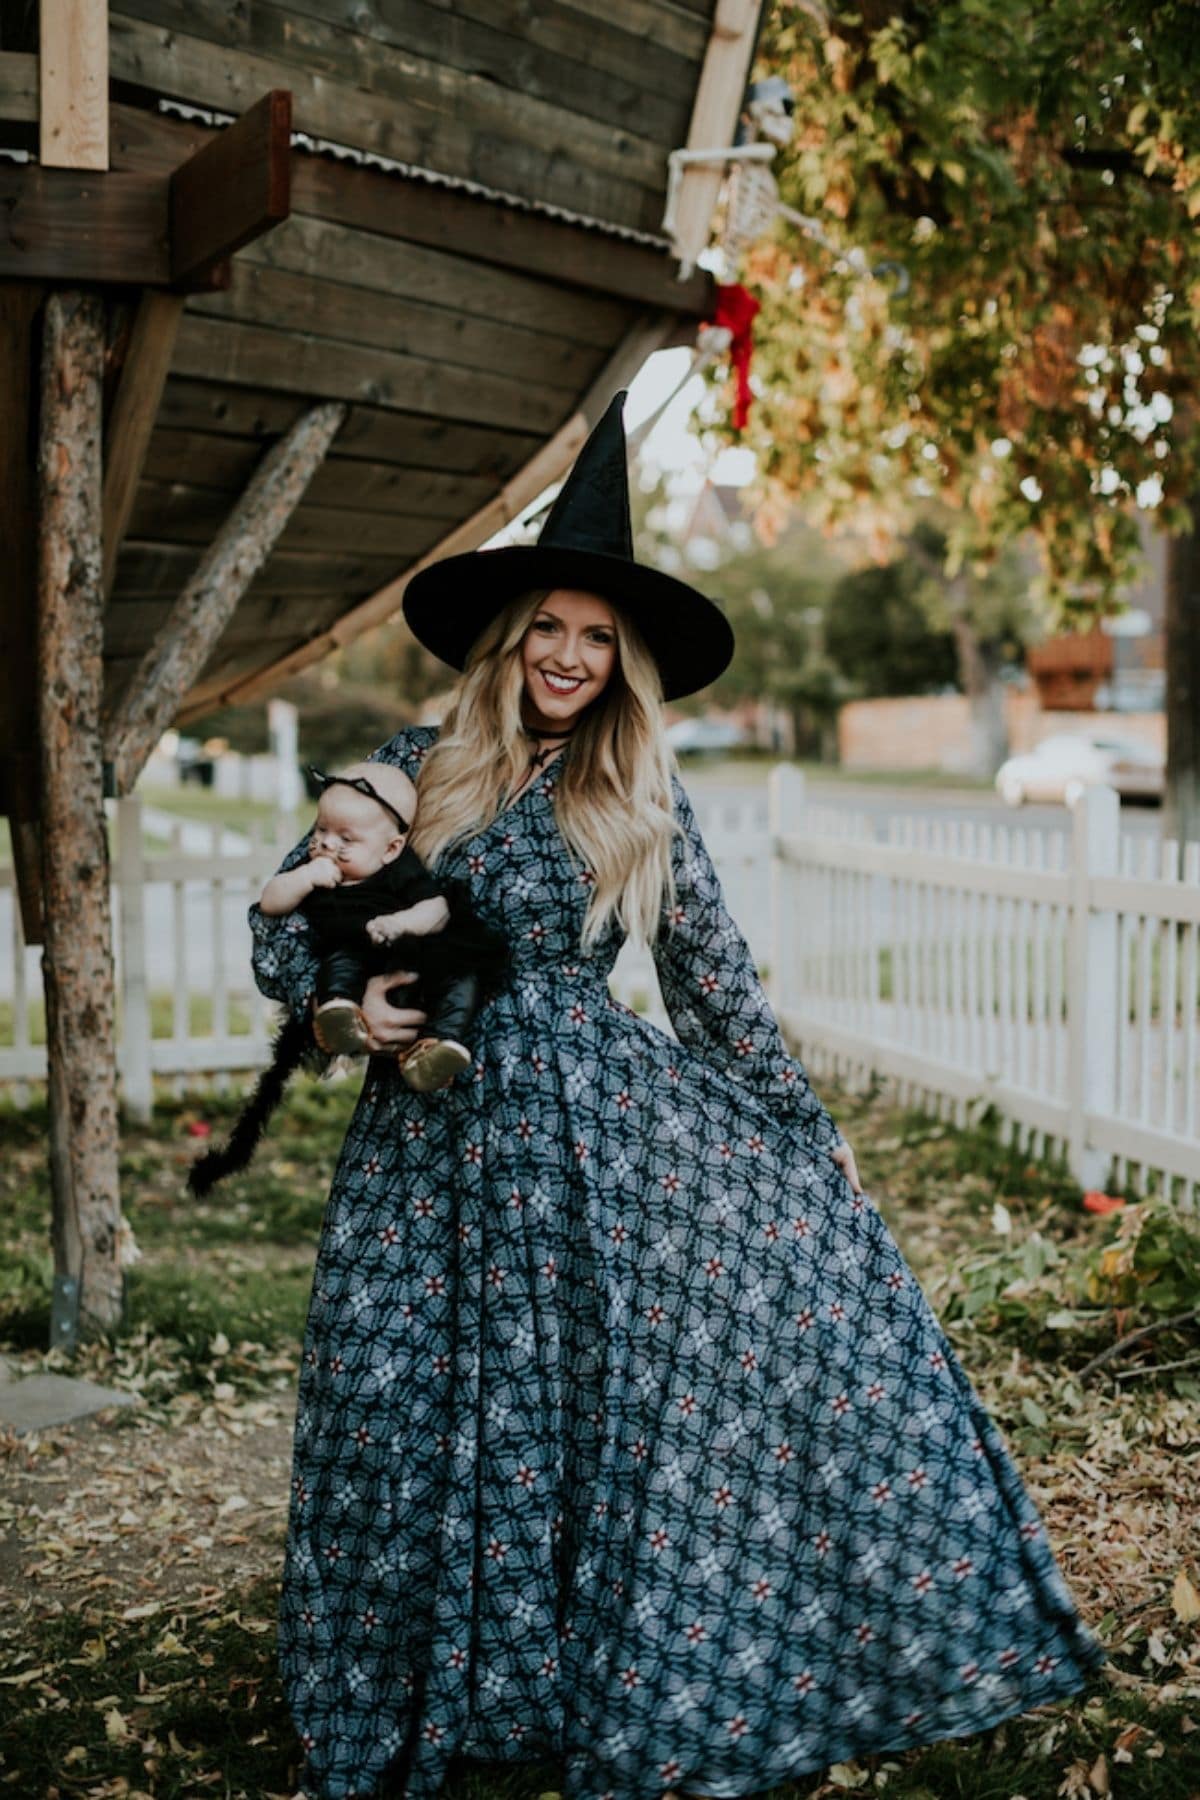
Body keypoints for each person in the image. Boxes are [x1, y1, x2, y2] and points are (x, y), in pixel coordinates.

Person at [250, 395, 1104, 1800]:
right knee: (390, 1404)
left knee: (568, 1430)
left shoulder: (635, 793)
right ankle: (422, 1690)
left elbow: (714, 987)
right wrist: (350, 1009)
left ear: (623, 661)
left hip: (586, 1143)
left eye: (598, 638)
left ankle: (539, 1697)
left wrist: (808, 1142)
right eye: (550, 629)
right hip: (424, 1141)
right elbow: (286, 924)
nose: (571, 658)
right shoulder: (414, 766)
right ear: (509, 634)